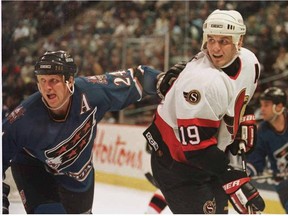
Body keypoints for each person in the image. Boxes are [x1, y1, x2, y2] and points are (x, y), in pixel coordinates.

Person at [2, 50, 161, 214]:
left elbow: (138, 78)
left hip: (78, 176)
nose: (47, 87)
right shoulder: (24, 118)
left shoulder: (92, 92)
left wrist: (163, 80)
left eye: (54, 80)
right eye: (42, 81)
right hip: (34, 169)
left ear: (70, 81)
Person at [143, 9, 265, 214]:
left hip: (211, 157)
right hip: (178, 164)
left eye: (224, 41)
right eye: (211, 40)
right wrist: (231, 175)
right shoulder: (201, 81)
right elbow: (196, 150)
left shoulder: (250, 62)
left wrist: (243, 119)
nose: (215, 49)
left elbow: (240, 98)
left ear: (239, 42)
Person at [247, 87, 288, 213]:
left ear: (279, 107)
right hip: (284, 186)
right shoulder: (262, 132)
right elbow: (255, 161)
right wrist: (246, 173)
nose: (262, 109)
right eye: (261, 105)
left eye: (266, 105)